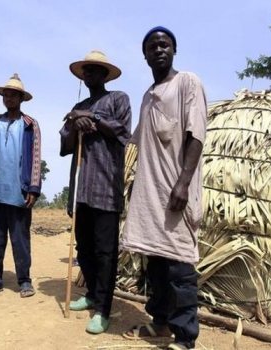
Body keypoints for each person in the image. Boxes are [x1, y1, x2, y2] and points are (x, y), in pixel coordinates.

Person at [121, 27, 207, 350]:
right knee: (156, 263)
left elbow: (196, 134)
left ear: (174, 50)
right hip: (151, 196)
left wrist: (183, 182)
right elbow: (136, 140)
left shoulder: (187, 83)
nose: (159, 49)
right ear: (144, 56)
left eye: (164, 44)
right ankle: (160, 324)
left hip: (175, 193)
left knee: (180, 266)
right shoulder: (147, 97)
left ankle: (186, 336)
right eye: (152, 46)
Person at [60, 50, 132, 334]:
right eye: (86, 71)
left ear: (105, 75)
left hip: (105, 188)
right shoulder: (77, 105)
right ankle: (90, 294)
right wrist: (73, 125)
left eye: (94, 70)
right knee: (84, 248)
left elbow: (123, 132)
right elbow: (65, 147)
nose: (89, 74)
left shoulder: (119, 99)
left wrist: (92, 116)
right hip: (81, 190)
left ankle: (103, 309)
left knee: (106, 252)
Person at [0, 74, 41, 298]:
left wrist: (32, 187)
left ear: (21, 98)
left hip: (18, 191)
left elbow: (35, 157)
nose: (8, 98)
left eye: (13, 95)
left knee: (20, 240)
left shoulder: (30, 125)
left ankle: (24, 281)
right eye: (6, 94)